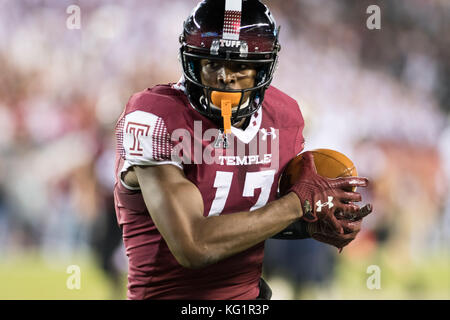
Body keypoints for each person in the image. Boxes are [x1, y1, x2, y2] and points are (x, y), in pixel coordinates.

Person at [114, 0, 372, 300]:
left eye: (239, 66)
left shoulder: (283, 116)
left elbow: (253, 217)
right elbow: (194, 245)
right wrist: (296, 205)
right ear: (192, 62)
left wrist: (308, 223)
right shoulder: (157, 116)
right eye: (213, 64)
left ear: (263, 68)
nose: (225, 76)